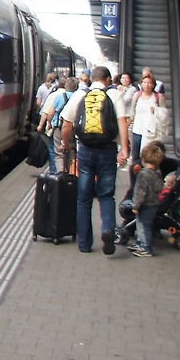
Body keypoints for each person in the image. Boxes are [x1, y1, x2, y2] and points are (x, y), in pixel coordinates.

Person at [60, 66, 130, 255]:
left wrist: (66, 144)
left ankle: (84, 244)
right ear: (108, 80)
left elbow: (66, 124)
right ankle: (107, 229)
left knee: (84, 199)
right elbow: (122, 122)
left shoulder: (80, 94)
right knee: (106, 195)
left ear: (92, 79)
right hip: (108, 150)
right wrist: (124, 148)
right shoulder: (114, 95)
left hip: (85, 150)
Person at [130, 141, 166, 257]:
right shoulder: (157, 173)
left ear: (143, 159)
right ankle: (141, 243)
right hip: (153, 204)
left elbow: (140, 192)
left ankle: (146, 247)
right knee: (147, 225)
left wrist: (136, 205)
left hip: (144, 205)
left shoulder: (143, 174)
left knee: (142, 226)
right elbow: (160, 187)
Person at [38, 77, 77, 174]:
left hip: (59, 128)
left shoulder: (60, 97)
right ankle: (72, 173)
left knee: (59, 153)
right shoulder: (77, 97)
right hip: (73, 128)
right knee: (72, 151)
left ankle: (61, 174)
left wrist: (49, 124)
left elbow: (51, 113)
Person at [128, 75, 163, 170]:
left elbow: (164, 113)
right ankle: (135, 176)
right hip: (137, 129)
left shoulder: (158, 97)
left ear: (153, 85)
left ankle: (150, 174)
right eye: (144, 82)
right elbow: (132, 112)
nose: (146, 85)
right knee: (135, 156)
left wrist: (156, 111)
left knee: (150, 156)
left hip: (151, 131)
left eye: (149, 83)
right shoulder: (137, 95)